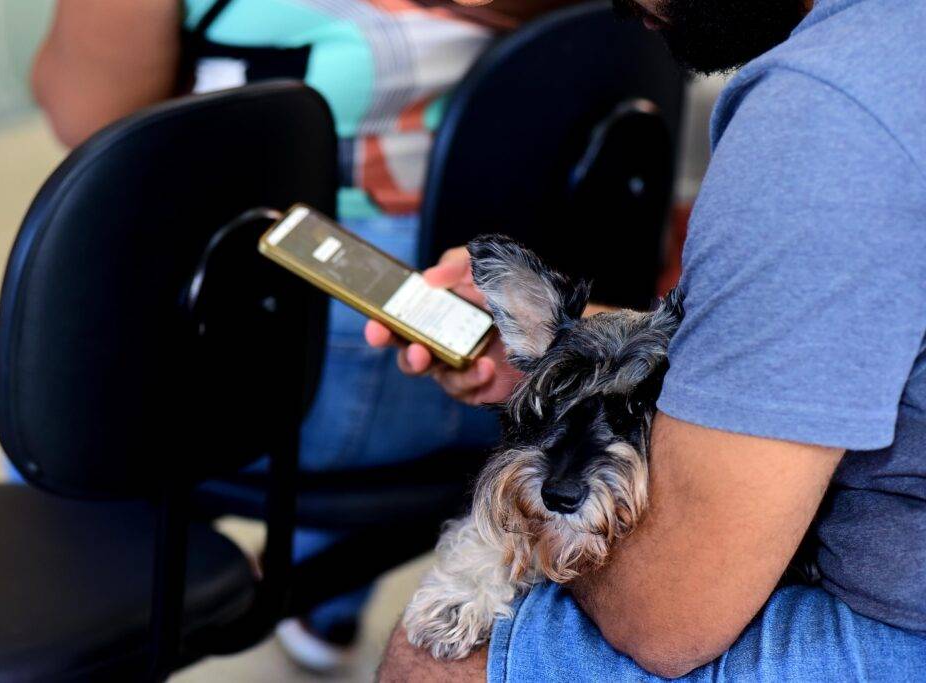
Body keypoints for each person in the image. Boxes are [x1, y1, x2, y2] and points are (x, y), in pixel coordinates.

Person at [370, 0, 926, 680]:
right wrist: (579, 352)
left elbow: (668, 615)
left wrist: (510, 546)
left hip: (900, 623)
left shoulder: (825, 113)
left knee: (431, 658)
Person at [28, 0, 571, 672]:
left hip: (298, 378)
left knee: (56, 397)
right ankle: (327, 599)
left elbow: (82, 113)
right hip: (531, 355)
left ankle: (73, 620)